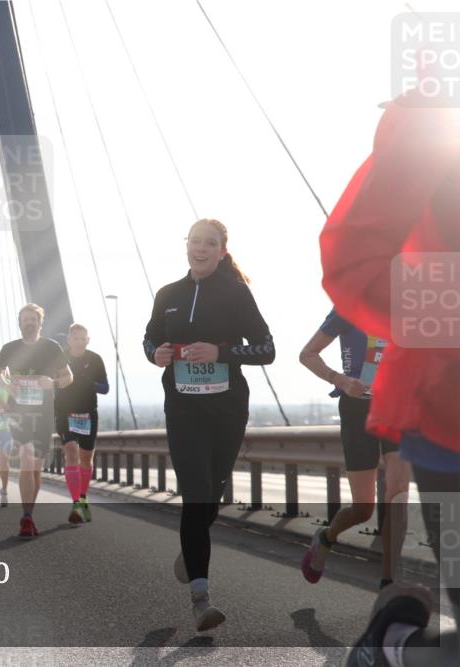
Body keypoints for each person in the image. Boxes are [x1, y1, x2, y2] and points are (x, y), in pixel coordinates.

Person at [319, 87, 459, 667]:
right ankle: (393, 647)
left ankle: (391, 649)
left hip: (427, 405)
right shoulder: (432, 130)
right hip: (442, 409)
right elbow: (353, 266)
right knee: (380, 498)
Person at [143, 218, 275, 632]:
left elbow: (267, 349)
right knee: (196, 495)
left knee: (210, 498)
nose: (201, 249)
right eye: (195, 242)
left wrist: (220, 352)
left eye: (210, 243)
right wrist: (157, 353)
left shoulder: (236, 293)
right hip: (183, 412)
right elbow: (148, 339)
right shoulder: (168, 295)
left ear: (222, 251)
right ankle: (201, 598)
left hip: (228, 411)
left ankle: (192, 542)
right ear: (187, 246)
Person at [299, 309, 410, 588]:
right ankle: (326, 537)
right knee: (363, 509)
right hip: (357, 410)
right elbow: (307, 354)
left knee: (398, 493)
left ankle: (389, 583)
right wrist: (341, 380)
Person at [0, 303, 73, 539]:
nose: (29, 323)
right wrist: (6, 387)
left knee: (35, 468)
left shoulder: (52, 347)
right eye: (25, 319)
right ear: (19, 323)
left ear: (40, 323)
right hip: (19, 414)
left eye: (33, 319)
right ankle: (27, 518)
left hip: (43, 414)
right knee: (27, 457)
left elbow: (68, 377)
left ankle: (29, 511)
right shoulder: (9, 348)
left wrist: (54, 383)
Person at [55, 323, 109, 523]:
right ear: (68, 340)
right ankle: (76, 503)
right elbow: (52, 382)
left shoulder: (95, 359)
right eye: (75, 338)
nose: (78, 341)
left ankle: (84, 498)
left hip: (87, 414)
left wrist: (90, 383)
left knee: (85, 459)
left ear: (88, 340)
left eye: (82, 338)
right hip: (64, 412)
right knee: (70, 451)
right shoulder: (59, 358)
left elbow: (105, 388)